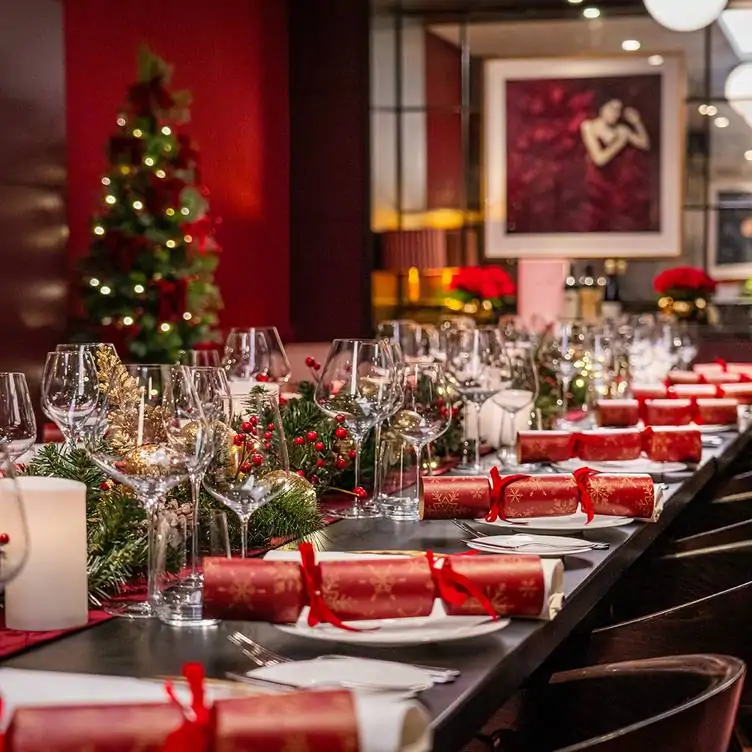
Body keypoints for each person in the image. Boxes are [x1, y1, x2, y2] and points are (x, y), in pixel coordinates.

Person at [580, 98, 650, 167]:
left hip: (621, 175)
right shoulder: (589, 126)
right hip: (596, 176)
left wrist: (637, 122)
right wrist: (620, 141)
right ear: (602, 108)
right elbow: (599, 160)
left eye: (618, 110)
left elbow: (645, 144)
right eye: (611, 108)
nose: (615, 113)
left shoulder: (620, 129)